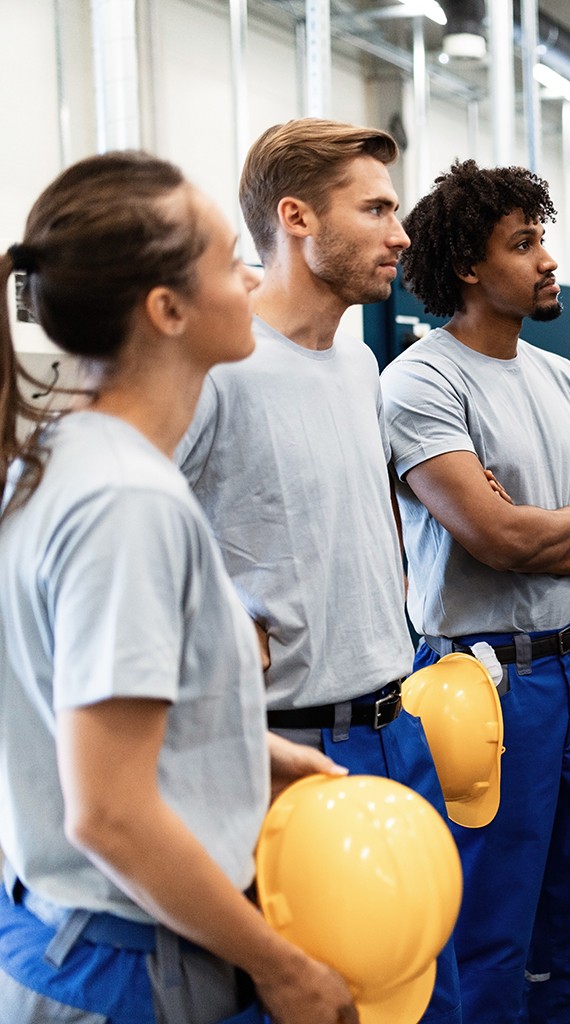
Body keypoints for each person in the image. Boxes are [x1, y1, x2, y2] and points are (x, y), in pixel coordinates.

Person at [0, 152, 355, 1023]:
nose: (247, 278)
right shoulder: (128, 502)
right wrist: (282, 967)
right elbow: (110, 815)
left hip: (71, 936)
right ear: (167, 310)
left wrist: (246, 748)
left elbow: (70, 706)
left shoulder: (58, 460)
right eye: (228, 259)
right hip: (130, 962)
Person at [175, 120, 461, 1023]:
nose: (401, 233)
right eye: (376, 209)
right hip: (286, 753)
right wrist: (224, 626)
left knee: (422, 995)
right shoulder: (217, 370)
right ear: (296, 218)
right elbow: (142, 545)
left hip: (395, 727)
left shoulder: (359, 358)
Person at [380, 160, 570, 1024]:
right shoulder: (423, 381)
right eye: (523, 243)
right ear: (466, 265)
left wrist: (544, 524)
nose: (546, 260)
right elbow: (494, 540)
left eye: (543, 240)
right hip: (477, 685)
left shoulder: (559, 379)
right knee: (489, 931)